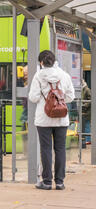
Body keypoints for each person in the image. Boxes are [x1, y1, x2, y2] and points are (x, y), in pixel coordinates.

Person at [28, 50, 75, 190]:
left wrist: (48, 101)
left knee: (46, 149)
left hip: (44, 119)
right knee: (60, 149)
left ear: (41, 62)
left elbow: (33, 97)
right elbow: (71, 96)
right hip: (61, 118)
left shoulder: (38, 76)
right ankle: (60, 182)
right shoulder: (64, 75)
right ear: (54, 61)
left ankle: (47, 182)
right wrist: (59, 101)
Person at [81, 79, 91, 145]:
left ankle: (88, 139)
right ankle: (86, 139)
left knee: (87, 124)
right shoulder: (83, 89)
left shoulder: (86, 89)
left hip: (87, 110)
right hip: (84, 110)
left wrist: (84, 105)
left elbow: (91, 99)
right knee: (85, 125)